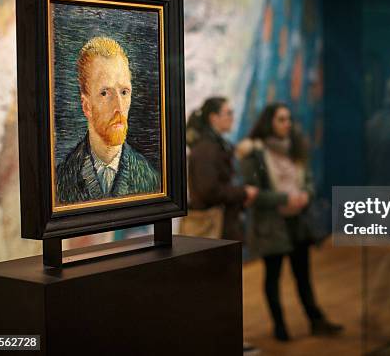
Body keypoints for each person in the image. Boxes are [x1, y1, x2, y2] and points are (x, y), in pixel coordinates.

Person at [237, 103, 343, 341]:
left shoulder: (296, 148)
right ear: (269, 122)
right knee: (273, 277)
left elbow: (310, 182)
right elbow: (251, 193)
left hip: (298, 222)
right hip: (272, 225)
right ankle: (280, 327)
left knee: (303, 275)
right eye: (281, 119)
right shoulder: (254, 153)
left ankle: (316, 320)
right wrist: (285, 198)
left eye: (289, 119)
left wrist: (306, 195)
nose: (288, 124)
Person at [56, 36, 159, 204]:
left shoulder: (151, 179)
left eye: (124, 92)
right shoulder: (60, 181)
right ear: (86, 106)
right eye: (105, 93)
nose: (118, 106)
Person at [184, 97, 258, 241]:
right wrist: (243, 192)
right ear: (214, 118)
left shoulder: (216, 145)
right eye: (228, 113)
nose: (232, 118)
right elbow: (209, 191)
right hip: (213, 229)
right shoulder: (206, 149)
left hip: (222, 225)